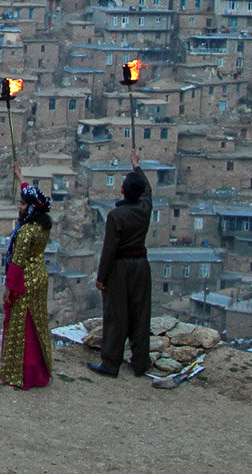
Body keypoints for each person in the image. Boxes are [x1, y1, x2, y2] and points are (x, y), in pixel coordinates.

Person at [88, 150, 153, 378]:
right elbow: (148, 191)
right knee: (141, 314)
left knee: (116, 316)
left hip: (120, 269)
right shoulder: (145, 210)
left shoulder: (116, 216)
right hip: (141, 266)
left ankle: (110, 363)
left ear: (123, 190)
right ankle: (141, 362)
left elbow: (109, 250)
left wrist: (101, 278)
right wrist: (136, 166)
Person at [0, 163, 53, 389]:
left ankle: (23, 373)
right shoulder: (42, 225)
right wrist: (20, 176)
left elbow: (17, 263)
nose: (19, 207)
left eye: (21, 204)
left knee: (23, 327)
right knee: (38, 321)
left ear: (29, 208)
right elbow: (34, 196)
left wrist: (8, 289)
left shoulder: (25, 232)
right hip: (40, 275)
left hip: (25, 281)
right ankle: (42, 369)